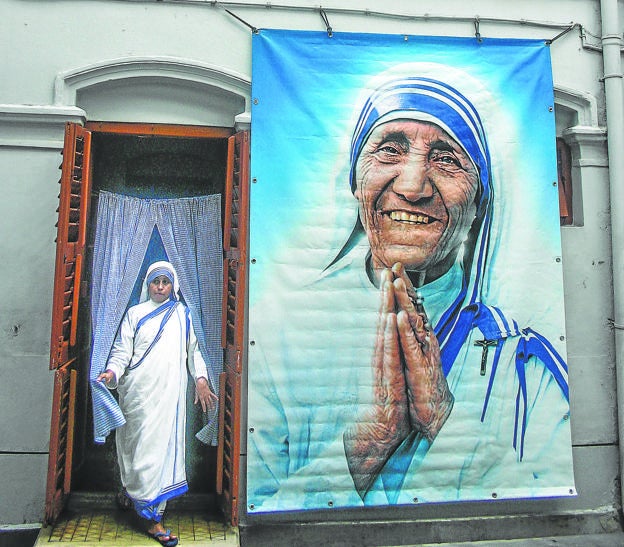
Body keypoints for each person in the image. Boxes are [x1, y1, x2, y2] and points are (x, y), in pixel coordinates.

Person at [246, 65, 574, 512]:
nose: (412, 184)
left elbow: (548, 512)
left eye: (446, 158)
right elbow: (259, 513)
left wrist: (441, 414)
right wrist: (373, 436)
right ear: (354, 180)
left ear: (480, 202)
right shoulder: (278, 332)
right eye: (389, 150)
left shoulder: (522, 363)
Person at [97, 261, 217, 546]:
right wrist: (112, 372)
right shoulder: (134, 314)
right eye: (155, 282)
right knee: (135, 450)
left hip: (168, 397)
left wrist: (200, 379)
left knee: (158, 453)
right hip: (136, 394)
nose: (160, 287)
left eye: (165, 282)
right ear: (147, 285)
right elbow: (122, 351)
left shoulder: (182, 315)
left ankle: (153, 517)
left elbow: (194, 352)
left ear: (173, 285)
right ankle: (132, 493)